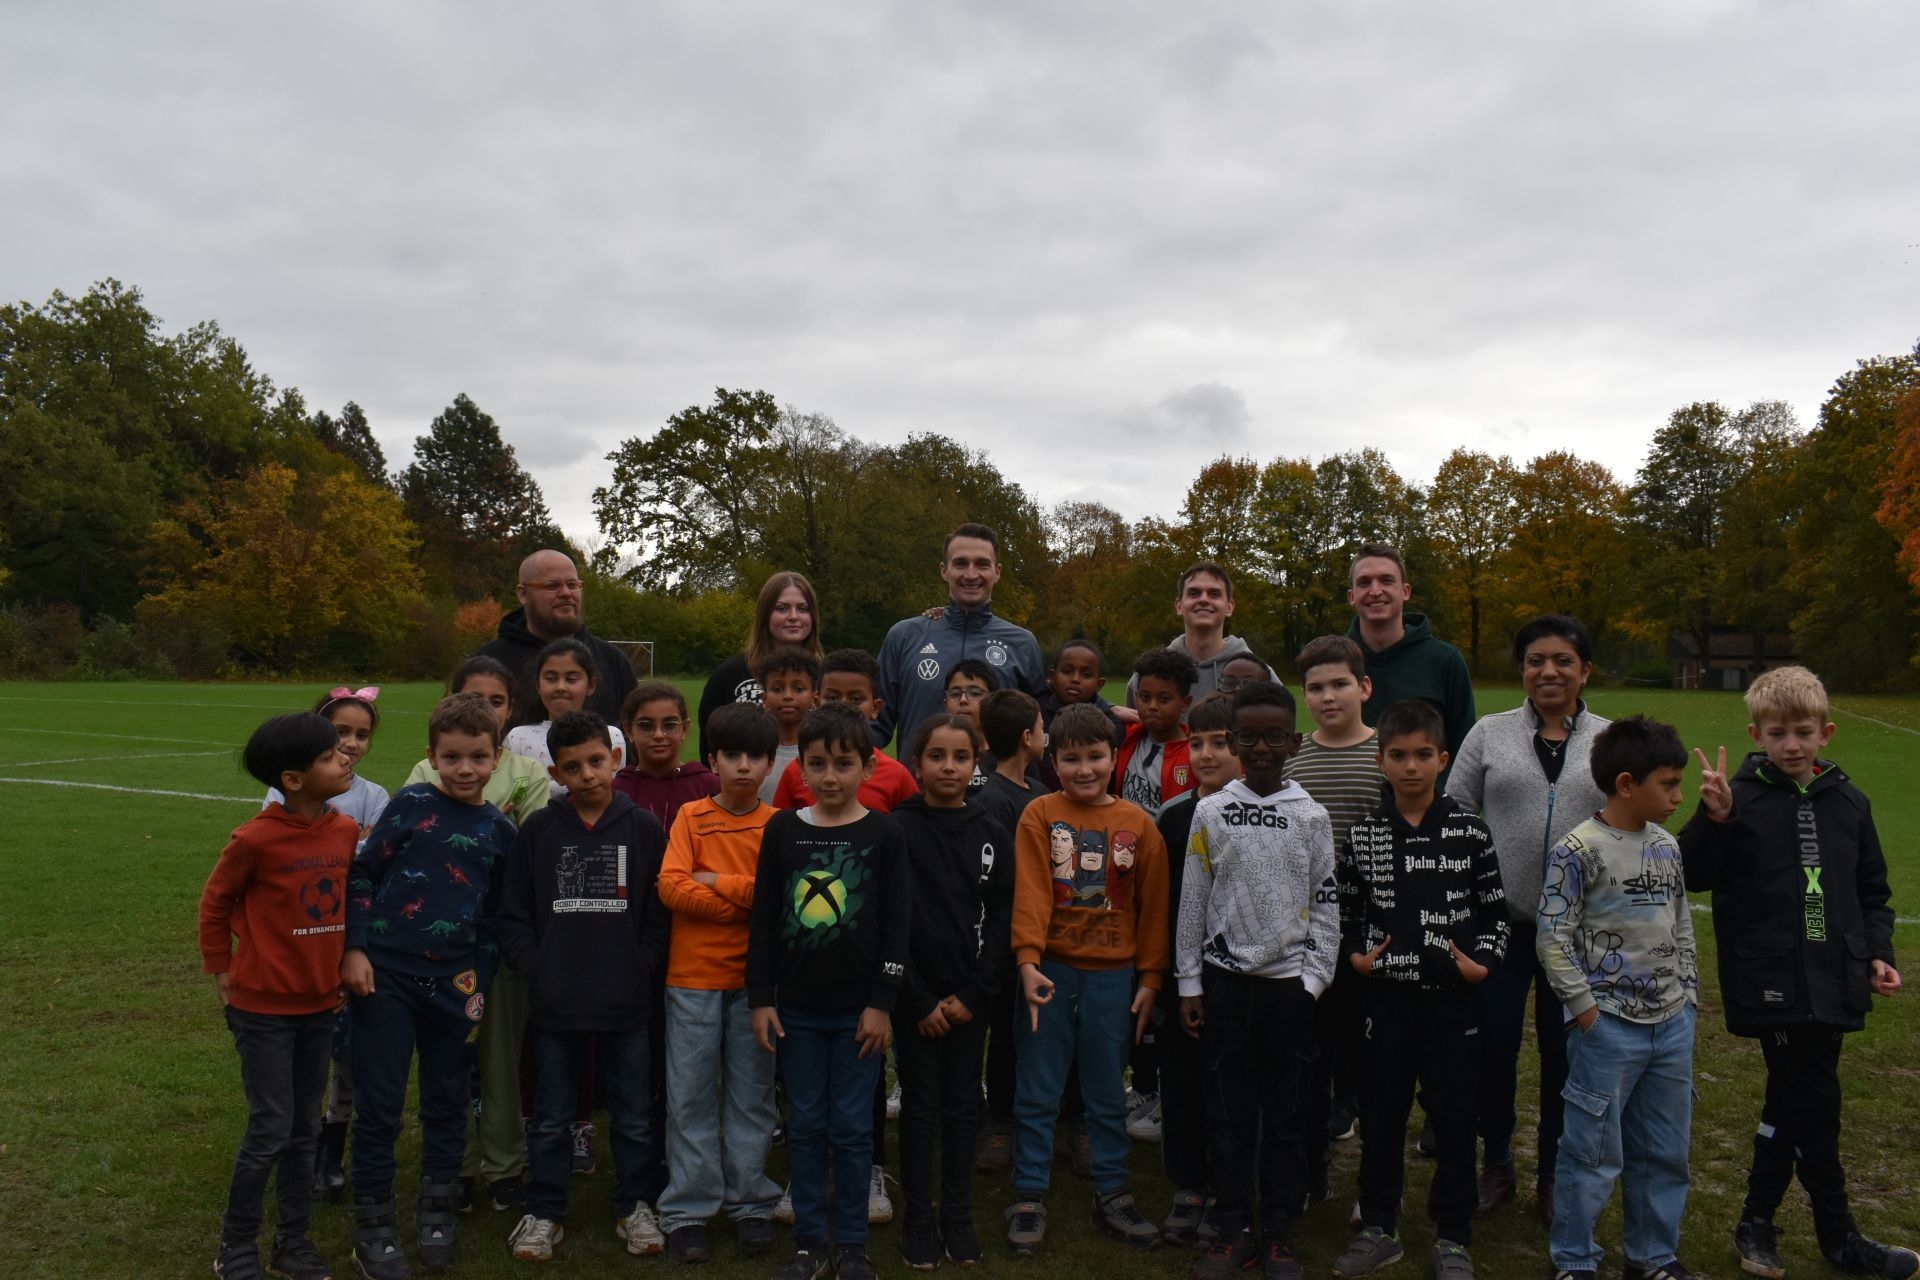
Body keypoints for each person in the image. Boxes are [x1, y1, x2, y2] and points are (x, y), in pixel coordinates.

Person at [1680, 666, 1913, 1280]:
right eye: (1777, 733)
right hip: (1770, 979)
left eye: (1803, 732)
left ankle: (1756, 1221)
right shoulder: (1737, 797)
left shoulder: (1849, 802)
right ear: (1756, 734)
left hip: (1836, 977)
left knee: (1794, 1100)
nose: (1790, 745)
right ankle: (1839, 1235)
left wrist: (1878, 952)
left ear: (1825, 733)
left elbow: (1872, 892)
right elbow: (1692, 873)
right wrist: (1715, 819)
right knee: (1816, 1102)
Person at [341, 694, 519, 1280]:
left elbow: (495, 917)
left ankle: (438, 1211)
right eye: (452, 757)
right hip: (386, 978)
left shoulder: (500, 830)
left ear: (496, 758)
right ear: (431, 756)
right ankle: (373, 1223)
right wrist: (356, 949)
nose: (465, 769)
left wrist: (478, 980)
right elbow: (363, 875)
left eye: (477, 757)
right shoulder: (412, 804)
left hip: (456, 988)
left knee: (447, 1102)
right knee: (381, 1105)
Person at [1331, 699, 1507, 1280]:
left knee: (1455, 1117)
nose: (1411, 766)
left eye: (1423, 755)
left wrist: (1483, 964)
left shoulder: (1470, 831)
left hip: (1453, 1003)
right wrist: (1355, 956)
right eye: (1399, 755)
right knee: (1382, 1115)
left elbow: (1495, 914)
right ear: (1380, 761)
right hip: (1385, 1002)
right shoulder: (1365, 834)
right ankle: (1380, 1226)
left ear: (1443, 759)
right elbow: (1346, 912)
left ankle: (1453, 1235)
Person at [1445, 615, 1610, 1224]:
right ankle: (1496, 1162)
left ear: (1584, 670)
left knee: (1565, 1056)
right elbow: (1455, 813)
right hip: (1500, 925)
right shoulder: (1489, 733)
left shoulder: (1609, 740)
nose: (1548, 671)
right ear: (1522, 669)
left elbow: (1633, 818)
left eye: (1563, 660)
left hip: (1579, 932)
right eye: (1536, 660)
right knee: (1492, 1047)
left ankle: (1553, 1171)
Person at [1176, 682, 1337, 1280]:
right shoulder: (1211, 811)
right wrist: (1190, 983)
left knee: (1288, 1117)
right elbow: (1193, 901)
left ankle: (1279, 1230)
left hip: (1289, 990)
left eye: (1274, 737)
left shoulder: (1311, 816)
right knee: (1228, 1115)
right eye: (1249, 737)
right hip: (1225, 987)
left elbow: (1327, 905)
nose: (1262, 748)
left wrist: (1312, 982)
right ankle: (1232, 1227)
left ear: (1293, 742)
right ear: (1235, 741)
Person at [498, 711, 672, 1263]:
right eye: (573, 767)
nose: (588, 774)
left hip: (626, 999)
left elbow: (659, 915)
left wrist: (641, 965)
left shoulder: (643, 828)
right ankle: (545, 1209)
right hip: (557, 1000)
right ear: (556, 773)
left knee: (634, 1113)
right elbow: (514, 914)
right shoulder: (539, 831)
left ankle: (635, 1204)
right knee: (552, 1115)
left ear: (615, 759)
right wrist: (537, 967)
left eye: (596, 761)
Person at [749, 703, 912, 1280]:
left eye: (843, 764)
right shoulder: (783, 830)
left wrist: (881, 1003)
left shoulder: (885, 833)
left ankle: (853, 1246)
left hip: (858, 1015)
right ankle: (810, 1244)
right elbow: (764, 919)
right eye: (817, 764)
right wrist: (761, 998)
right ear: (800, 769)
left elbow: (896, 925)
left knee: (851, 1127)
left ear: (868, 768)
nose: (830, 777)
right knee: (806, 1125)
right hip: (795, 1010)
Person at [1536, 716, 1699, 1280]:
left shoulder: (1667, 847)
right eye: (1669, 784)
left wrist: (1689, 998)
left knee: (1664, 1150)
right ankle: (1574, 1259)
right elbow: (1552, 937)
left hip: (1671, 1025)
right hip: (1606, 1027)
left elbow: (1682, 925)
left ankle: (1652, 1255)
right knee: (1591, 1151)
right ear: (1626, 784)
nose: (1678, 797)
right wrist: (1586, 1012)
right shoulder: (1578, 849)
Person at [1005, 704, 1169, 1256]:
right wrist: (1027, 961)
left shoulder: (1139, 825)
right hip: (1049, 971)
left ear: (1113, 758)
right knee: (1038, 1087)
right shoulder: (1039, 814)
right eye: (1071, 759)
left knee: (1105, 1089)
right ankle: (1029, 1195)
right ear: (1053, 761)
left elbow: (1153, 909)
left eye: (1095, 757)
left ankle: (1113, 1192)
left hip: (1114, 977)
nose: (1084, 769)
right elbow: (1031, 892)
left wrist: (1151, 977)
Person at [200, 713, 359, 1280]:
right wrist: (220, 967)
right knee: (270, 1127)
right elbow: (215, 903)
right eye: (330, 755)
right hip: (262, 1009)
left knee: (304, 1129)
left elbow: (351, 902)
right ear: (293, 780)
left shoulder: (345, 831)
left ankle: (292, 1243)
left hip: (320, 1006)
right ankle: (235, 1245)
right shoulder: (254, 839)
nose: (345, 758)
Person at [403, 657, 550, 1215]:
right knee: (446, 1061)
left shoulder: (528, 771)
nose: (483, 708)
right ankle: (455, 1165)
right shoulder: (424, 771)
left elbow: (530, 853)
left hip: (502, 941)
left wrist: (493, 819)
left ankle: (505, 1164)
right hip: (439, 946)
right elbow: (413, 841)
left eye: (495, 701)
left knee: (500, 1060)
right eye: (473, 696)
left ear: (509, 710)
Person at [654, 703, 786, 1263]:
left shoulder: (780, 826)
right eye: (731, 755)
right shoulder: (690, 817)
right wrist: (744, 901)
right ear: (712, 761)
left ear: (770, 763)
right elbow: (671, 886)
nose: (743, 766)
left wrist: (715, 881)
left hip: (757, 986)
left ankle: (751, 1201)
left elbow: (780, 899)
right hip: (693, 980)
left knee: (752, 1096)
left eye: (755, 756)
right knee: (689, 1097)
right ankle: (688, 1209)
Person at [888, 712, 1015, 1269]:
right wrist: (917, 998)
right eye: (936, 756)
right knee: (920, 1108)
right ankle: (919, 1217)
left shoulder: (991, 830)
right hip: (914, 996)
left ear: (975, 763)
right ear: (916, 764)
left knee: (962, 1107)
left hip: (970, 997)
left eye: (960, 757)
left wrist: (976, 992)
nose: (948, 766)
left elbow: (1003, 915)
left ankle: (957, 1216)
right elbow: (889, 921)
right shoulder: (896, 829)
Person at [260, 687, 386, 1208]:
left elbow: (374, 860)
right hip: (302, 938)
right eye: (340, 733)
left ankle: (333, 1145)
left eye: (362, 735)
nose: (351, 744)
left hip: (351, 935)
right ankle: (302, 1143)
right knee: (303, 1049)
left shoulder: (374, 796)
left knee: (348, 1050)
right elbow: (279, 850)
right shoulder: (282, 793)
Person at [1282, 636, 1385, 1195]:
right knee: (1311, 1049)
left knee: (1370, 1052)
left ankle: (1375, 1177)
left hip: (1372, 928)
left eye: (1340, 684)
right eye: (1316, 687)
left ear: (1363, 687)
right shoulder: (1294, 758)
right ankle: (1310, 1164)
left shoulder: (1388, 754)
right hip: (1305, 931)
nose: (1328, 696)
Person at [1152, 692, 1240, 1247]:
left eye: (1221, 743)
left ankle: (1226, 1186)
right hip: (1179, 976)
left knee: (1227, 1087)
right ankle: (1188, 1185)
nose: (1206, 754)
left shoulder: (1257, 811)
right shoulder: (1174, 816)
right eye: (1198, 742)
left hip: (1236, 976)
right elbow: (1161, 902)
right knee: (1182, 1083)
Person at [970, 687, 1051, 1171]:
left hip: (1038, 935)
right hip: (1003, 939)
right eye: (1042, 727)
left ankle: (1039, 1112)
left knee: (1032, 1030)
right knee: (1003, 1030)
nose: (1046, 735)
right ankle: (999, 1119)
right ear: (1026, 737)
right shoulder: (992, 798)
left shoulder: (1040, 795)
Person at [875, 523, 1047, 752]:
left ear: (997, 572)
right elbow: (874, 725)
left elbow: (1042, 728)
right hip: (917, 776)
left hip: (996, 777)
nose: (971, 574)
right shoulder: (904, 636)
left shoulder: (1022, 644)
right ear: (944, 570)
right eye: (960, 563)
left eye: (982, 564)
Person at [1343, 543, 1475, 760]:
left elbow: (1466, 750)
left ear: (1405, 592)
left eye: (1386, 580)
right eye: (1364, 583)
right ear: (1351, 596)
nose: (1375, 591)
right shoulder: (1336, 660)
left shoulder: (1445, 660)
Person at [477, 549, 637, 727]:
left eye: (573, 584)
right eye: (552, 586)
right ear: (523, 594)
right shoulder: (489, 663)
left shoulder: (612, 661)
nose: (566, 593)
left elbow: (634, 735)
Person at [773, 649, 919, 812]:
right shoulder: (797, 770)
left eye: (855, 699)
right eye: (832, 698)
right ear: (816, 701)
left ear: (875, 708)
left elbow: (914, 824)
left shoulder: (896, 775)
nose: (842, 705)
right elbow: (781, 824)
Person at [699, 571, 823, 760]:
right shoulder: (730, 675)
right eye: (782, 608)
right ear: (765, 615)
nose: (793, 616)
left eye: (803, 608)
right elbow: (710, 747)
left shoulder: (827, 676)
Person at [1126, 562, 1281, 708]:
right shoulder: (1151, 672)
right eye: (1194, 593)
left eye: (1214, 594)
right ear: (1179, 605)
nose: (1203, 599)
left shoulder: (1258, 674)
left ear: (1229, 607)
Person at [504, 637, 628, 794]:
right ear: (538, 685)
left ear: (591, 685)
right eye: (551, 679)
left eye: (571, 679)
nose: (560, 687)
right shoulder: (518, 738)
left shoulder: (611, 735)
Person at [614, 678, 721, 831]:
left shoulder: (710, 787)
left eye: (670, 725)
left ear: (684, 729)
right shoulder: (616, 791)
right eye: (646, 726)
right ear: (629, 730)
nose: (658, 735)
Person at [1115, 647, 1197, 817]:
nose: (1152, 706)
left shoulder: (1195, 754)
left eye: (1164, 699)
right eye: (1145, 697)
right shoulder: (1125, 734)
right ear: (1136, 696)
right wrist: (1109, 708)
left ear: (1185, 703)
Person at [757, 646, 821, 806]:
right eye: (777, 689)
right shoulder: (752, 750)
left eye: (798, 689)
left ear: (814, 699)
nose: (787, 696)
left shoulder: (823, 751)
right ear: (764, 698)